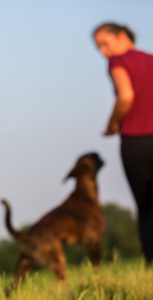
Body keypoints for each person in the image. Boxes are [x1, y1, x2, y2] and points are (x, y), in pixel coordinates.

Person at [94, 22, 153, 265]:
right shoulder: (150, 59)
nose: (103, 52)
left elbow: (126, 95)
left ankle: (151, 264)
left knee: (147, 207)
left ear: (122, 36)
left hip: (137, 141)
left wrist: (112, 124)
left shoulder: (118, 61)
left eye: (105, 44)